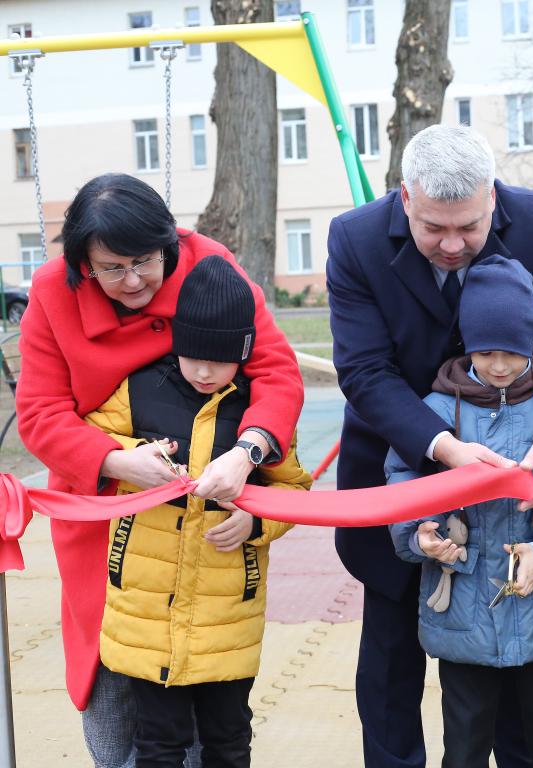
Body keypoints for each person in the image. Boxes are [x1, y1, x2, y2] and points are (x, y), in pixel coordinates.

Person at [326, 124, 533, 768]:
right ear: (405, 198)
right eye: (435, 229)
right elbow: (365, 372)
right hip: (401, 468)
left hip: (515, 480)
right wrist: (445, 452)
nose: (453, 244)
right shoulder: (354, 239)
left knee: (513, 657)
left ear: (493, 198)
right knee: (390, 657)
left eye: (470, 226)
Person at [16, 173, 304, 768]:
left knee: (210, 683)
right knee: (116, 674)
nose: (131, 281)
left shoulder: (211, 270)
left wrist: (248, 450)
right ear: (82, 265)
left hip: (207, 523)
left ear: (169, 243)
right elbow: (40, 414)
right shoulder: (52, 292)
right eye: (110, 268)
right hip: (107, 516)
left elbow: (276, 371)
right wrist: (116, 461)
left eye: (144, 262)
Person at [85, 255, 313, 766]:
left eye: (223, 358)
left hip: (227, 607)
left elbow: (295, 489)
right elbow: (91, 436)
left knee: (229, 740)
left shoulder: (259, 411)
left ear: (245, 354)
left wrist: (256, 523)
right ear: (177, 343)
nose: (206, 370)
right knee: (158, 743)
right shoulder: (140, 389)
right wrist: (127, 456)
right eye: (194, 356)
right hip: (144, 606)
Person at [389, 255, 533, 768]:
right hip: (462, 611)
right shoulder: (436, 411)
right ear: (466, 343)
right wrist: (421, 535)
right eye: (486, 352)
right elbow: (402, 480)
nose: (500, 365)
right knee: (463, 745)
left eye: (512, 351)